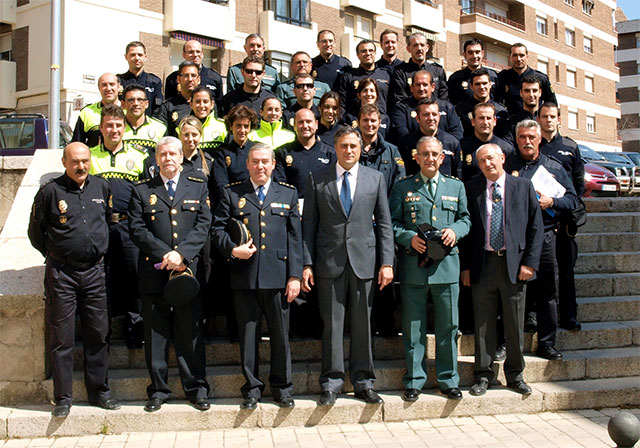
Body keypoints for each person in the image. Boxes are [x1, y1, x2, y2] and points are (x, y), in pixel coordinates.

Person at [302, 127, 395, 406]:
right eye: (344, 146)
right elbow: (309, 225)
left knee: (362, 325)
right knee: (332, 326)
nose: (349, 150)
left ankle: (364, 381)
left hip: (364, 263)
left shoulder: (375, 178)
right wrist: (306, 263)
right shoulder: (317, 179)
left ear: (360, 147)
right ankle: (331, 382)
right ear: (336, 147)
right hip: (329, 262)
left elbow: (385, 224)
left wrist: (387, 262)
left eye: (354, 146)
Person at [28, 142, 121, 417]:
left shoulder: (101, 188)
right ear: (64, 162)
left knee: (98, 334)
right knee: (62, 337)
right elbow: (36, 232)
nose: (81, 166)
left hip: (95, 272)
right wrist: (57, 254)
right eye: (75, 162)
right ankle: (63, 398)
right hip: (62, 274)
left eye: (85, 161)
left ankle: (99, 393)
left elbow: (108, 221)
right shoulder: (50, 192)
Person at [211, 143, 302, 410]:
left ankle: (282, 387)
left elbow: (295, 239)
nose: (260, 166)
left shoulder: (287, 194)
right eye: (255, 162)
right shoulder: (231, 194)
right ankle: (251, 387)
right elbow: (217, 230)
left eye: (265, 161)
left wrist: (294, 275)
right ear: (247, 165)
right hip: (245, 277)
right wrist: (232, 249)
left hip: (278, 277)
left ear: (274, 164)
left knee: (280, 336)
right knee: (248, 337)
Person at [128, 136, 212, 413]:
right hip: (155, 273)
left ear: (180, 157)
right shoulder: (141, 190)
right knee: (156, 335)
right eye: (162, 154)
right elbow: (137, 229)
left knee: (190, 333)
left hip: (188, 272)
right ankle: (158, 390)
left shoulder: (197, 186)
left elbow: (203, 224)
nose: (168, 159)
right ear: (156, 158)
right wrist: (165, 254)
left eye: (172, 154)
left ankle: (196, 388)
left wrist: (182, 255)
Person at [390, 136, 471, 402]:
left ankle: (449, 380)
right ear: (416, 157)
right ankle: (414, 380)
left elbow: (466, 219)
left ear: (442, 157)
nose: (430, 158)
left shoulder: (455, 186)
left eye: (435, 154)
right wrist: (407, 238)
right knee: (414, 327)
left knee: (448, 327)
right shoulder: (403, 188)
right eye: (424, 154)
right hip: (415, 267)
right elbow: (391, 223)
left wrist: (454, 231)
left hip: (446, 268)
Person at [460, 143, 543, 396]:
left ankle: (515, 374)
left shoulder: (523, 186)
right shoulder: (471, 187)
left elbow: (535, 228)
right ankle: (483, 374)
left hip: (514, 264)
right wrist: (465, 267)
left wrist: (529, 263)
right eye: (482, 160)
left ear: (503, 158)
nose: (487, 164)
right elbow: (467, 230)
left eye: (491, 158)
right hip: (483, 264)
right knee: (483, 322)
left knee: (514, 323)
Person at [504, 120, 579, 361]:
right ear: (517, 140)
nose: (527, 141)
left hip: (546, 236)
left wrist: (552, 202)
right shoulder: (507, 166)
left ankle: (547, 343)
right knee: (511, 293)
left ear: (539, 140)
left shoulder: (554, 167)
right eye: (522, 137)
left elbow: (574, 202)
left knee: (547, 293)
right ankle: (506, 343)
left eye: (531, 137)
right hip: (514, 237)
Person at [89, 104, 148, 349]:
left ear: (124, 128)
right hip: (99, 228)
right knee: (102, 279)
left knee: (135, 277)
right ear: (101, 129)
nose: (114, 130)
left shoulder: (140, 156)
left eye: (118, 125)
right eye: (109, 126)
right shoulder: (90, 156)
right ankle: (102, 333)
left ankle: (135, 330)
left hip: (128, 227)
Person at [358, 104, 406, 338]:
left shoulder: (391, 151)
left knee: (386, 274)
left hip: (384, 223)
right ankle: (363, 326)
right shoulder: (352, 148)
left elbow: (400, 187)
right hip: (357, 224)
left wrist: (384, 211)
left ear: (380, 123)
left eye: (373, 121)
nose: (370, 125)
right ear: (359, 122)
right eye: (365, 120)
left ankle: (386, 325)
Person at [538, 102, 584, 331]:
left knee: (566, 270)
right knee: (544, 274)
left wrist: (573, 214)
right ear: (538, 119)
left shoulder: (570, 146)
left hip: (564, 219)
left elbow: (578, 184)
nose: (548, 120)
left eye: (552, 116)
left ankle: (569, 315)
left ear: (559, 119)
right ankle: (541, 318)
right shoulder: (536, 146)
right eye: (544, 116)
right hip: (543, 221)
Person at [274, 108, 335, 198]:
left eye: (308, 121)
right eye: (300, 122)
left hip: (323, 205)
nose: (305, 126)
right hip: (293, 206)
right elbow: (280, 184)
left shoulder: (330, 153)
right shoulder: (282, 152)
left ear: (316, 124)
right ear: (294, 126)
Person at [389, 70, 462, 143]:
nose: (421, 88)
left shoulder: (447, 107)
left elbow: (457, 133)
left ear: (433, 87)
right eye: (418, 85)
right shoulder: (401, 108)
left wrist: (438, 146)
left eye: (425, 85)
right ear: (411, 88)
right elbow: (401, 135)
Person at [397, 98, 461, 177]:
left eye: (434, 114)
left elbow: (458, 174)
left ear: (439, 117)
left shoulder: (452, 143)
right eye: (426, 114)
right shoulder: (406, 143)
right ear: (418, 118)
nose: (431, 118)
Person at [496, 43, 556, 115]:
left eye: (522, 55)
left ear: (527, 57)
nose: (518, 59)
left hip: (535, 121)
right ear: (509, 58)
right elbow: (496, 102)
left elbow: (551, 103)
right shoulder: (502, 77)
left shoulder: (541, 78)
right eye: (515, 55)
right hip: (511, 122)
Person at [459, 103, 514, 182]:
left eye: (488, 118)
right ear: (473, 121)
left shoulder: (506, 148)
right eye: (481, 118)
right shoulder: (462, 146)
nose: (485, 122)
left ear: (494, 121)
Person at [337, 39, 391, 115]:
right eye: (363, 51)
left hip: (382, 122)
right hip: (355, 122)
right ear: (357, 55)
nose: (368, 53)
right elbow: (342, 104)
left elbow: (392, 103)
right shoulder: (349, 76)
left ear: (375, 53)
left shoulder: (386, 75)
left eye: (371, 50)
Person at [390, 33, 448, 105]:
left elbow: (444, 98)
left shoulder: (438, 71)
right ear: (408, 49)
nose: (419, 48)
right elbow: (400, 99)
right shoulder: (400, 72)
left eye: (422, 45)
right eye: (415, 45)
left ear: (427, 48)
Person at [164, 40, 223, 107]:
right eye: (191, 52)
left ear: (202, 54)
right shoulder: (173, 78)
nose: (195, 55)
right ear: (184, 54)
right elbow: (168, 105)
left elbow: (220, 106)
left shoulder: (214, 77)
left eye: (198, 51)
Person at [455, 69, 510, 140]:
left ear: (490, 84)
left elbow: (505, 136)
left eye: (484, 83)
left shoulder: (501, 111)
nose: (482, 87)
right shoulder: (461, 110)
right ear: (471, 86)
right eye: (477, 84)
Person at [72, 73, 121, 148]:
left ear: (118, 86)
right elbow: (76, 145)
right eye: (104, 85)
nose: (108, 88)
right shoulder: (87, 112)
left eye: (112, 84)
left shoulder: (128, 111)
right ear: (99, 88)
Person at [117, 41, 163, 116]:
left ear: (145, 57)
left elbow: (158, 108)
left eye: (140, 55)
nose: (137, 58)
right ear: (126, 57)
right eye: (133, 55)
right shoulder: (118, 81)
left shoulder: (154, 82)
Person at [447, 39, 498, 107]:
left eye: (477, 52)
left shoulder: (493, 76)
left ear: (482, 53)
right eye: (470, 53)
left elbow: (499, 100)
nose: (474, 56)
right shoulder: (455, 78)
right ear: (464, 55)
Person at [155, 61, 200, 137]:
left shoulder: (206, 106)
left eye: (193, 75)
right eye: (186, 75)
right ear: (178, 79)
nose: (190, 79)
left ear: (199, 79)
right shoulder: (167, 107)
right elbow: (161, 135)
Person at [122, 84, 167, 158]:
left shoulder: (160, 128)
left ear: (146, 104)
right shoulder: (116, 128)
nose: (136, 103)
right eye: (131, 100)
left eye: (140, 100)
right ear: (123, 104)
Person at [185, 86, 227, 153]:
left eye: (205, 101)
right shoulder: (183, 128)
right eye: (198, 101)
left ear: (212, 104)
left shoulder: (224, 127)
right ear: (191, 104)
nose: (202, 105)